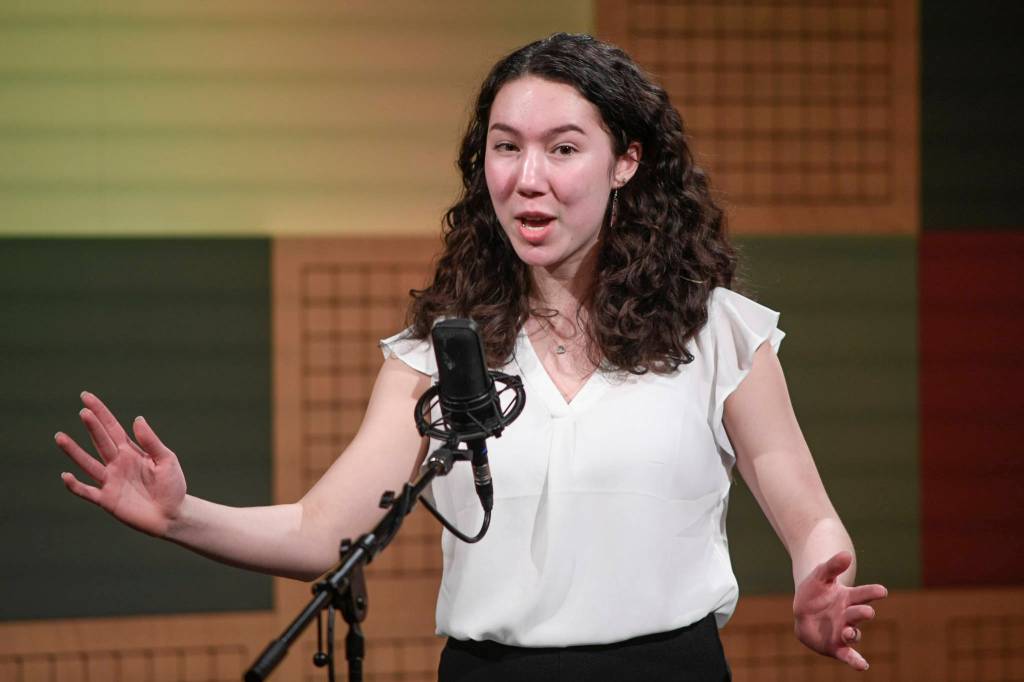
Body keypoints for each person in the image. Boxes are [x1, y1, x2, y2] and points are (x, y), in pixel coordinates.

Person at [55, 33, 886, 681]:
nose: (528, 178)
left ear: (626, 161)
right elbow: (324, 530)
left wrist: (823, 579)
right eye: (505, 146)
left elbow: (805, 509)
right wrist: (180, 514)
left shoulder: (719, 331)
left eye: (563, 148)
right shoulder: (438, 350)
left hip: (670, 668)